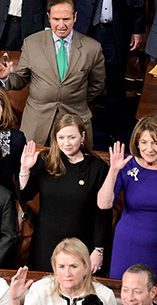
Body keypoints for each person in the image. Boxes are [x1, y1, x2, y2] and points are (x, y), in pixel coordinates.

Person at [0, 0, 105, 146]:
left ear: (75, 17)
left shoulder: (92, 48)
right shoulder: (31, 43)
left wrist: (75, 100)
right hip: (36, 122)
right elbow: (20, 80)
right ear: (48, 17)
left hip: (74, 120)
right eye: (56, 19)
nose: (61, 25)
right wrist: (6, 77)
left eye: (66, 19)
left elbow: (97, 84)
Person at [98, 116, 157, 282]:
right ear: (136, 143)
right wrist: (113, 170)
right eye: (144, 142)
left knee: (156, 296)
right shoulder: (126, 164)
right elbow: (104, 204)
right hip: (127, 245)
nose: (150, 149)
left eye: (156, 143)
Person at [18, 116, 112, 271]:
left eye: (72, 137)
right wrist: (24, 169)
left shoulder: (97, 167)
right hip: (46, 243)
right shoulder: (46, 161)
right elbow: (25, 195)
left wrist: (99, 249)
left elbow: (102, 213)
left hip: (81, 245)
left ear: (82, 136)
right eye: (61, 137)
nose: (66, 143)